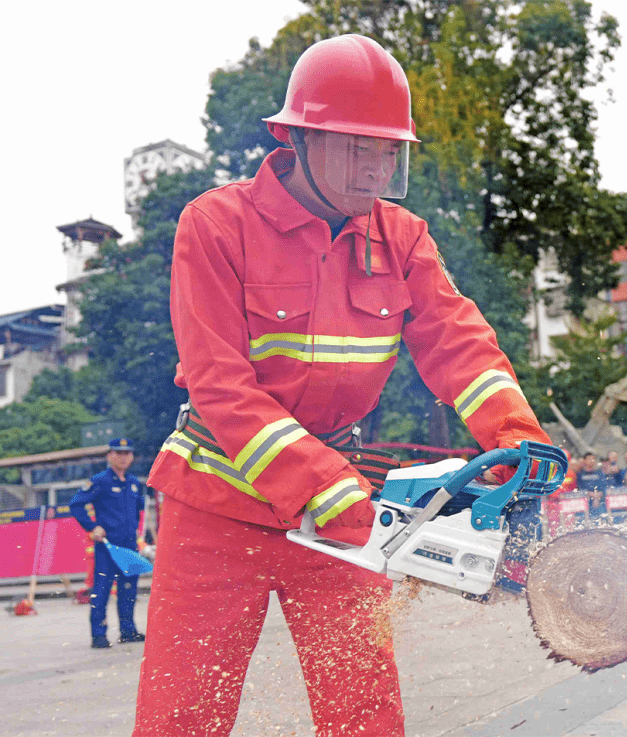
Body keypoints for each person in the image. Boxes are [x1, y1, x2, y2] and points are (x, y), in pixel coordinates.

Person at [132, 35, 552, 737]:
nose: (377, 166)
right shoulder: (215, 224)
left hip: (341, 506)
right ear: (298, 138)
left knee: (364, 711)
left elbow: (459, 343)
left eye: (389, 150)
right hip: (217, 503)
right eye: (359, 145)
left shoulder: (403, 237)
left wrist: (517, 439)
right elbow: (218, 383)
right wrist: (320, 479)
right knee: (184, 714)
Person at [69, 438, 146, 650]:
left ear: (131, 456)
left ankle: (128, 631)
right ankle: (99, 635)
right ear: (109, 455)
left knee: (128, 590)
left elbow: (139, 509)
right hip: (107, 546)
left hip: (129, 546)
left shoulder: (133, 483)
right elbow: (76, 504)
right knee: (101, 590)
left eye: (127, 453)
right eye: (118, 453)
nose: (123, 457)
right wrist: (92, 527)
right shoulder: (100, 480)